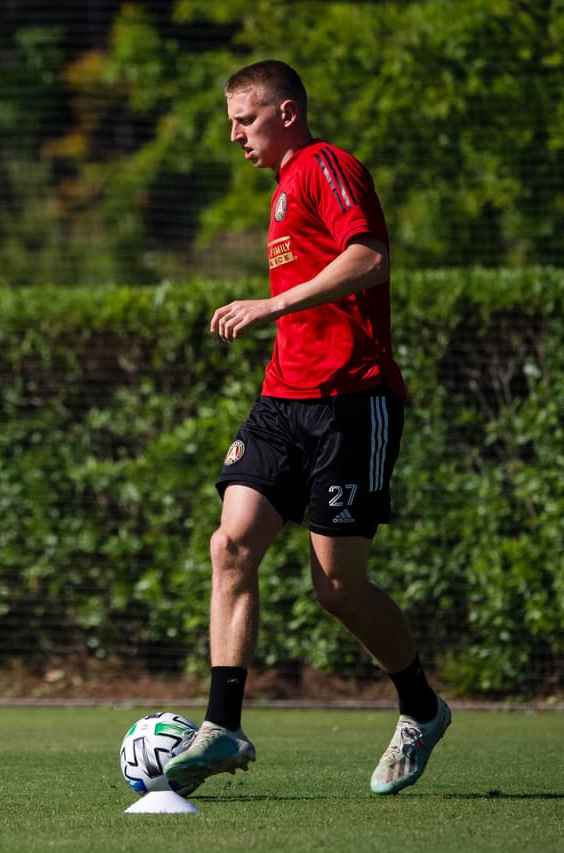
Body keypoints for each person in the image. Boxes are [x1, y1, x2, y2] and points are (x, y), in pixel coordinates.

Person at [163, 60, 450, 796]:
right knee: (229, 543)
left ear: (287, 112)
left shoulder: (327, 165)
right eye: (231, 121)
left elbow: (371, 257)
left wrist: (272, 303)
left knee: (337, 588)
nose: (234, 135)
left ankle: (420, 706)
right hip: (282, 400)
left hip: (353, 401)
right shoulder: (284, 186)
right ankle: (222, 724)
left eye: (245, 119)